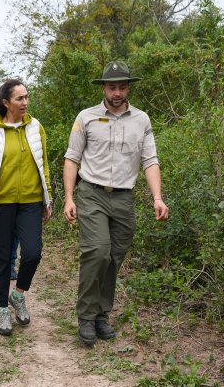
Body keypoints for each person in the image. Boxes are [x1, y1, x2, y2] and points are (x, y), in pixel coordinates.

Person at [62, 61, 169, 347]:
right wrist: (69, 197)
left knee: (112, 259)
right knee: (97, 251)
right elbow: (72, 157)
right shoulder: (86, 117)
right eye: (112, 87)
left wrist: (157, 197)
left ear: (128, 87)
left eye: (122, 86)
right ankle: (85, 317)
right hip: (92, 193)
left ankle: (100, 315)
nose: (117, 92)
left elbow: (150, 160)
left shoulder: (142, 120)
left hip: (123, 198)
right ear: (104, 88)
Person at [0, 79, 52, 336]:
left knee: (32, 252)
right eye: (19, 99)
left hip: (30, 202)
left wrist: (47, 198)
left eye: (26, 97)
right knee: (2, 259)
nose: (25, 102)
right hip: (0, 204)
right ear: (6, 103)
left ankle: (18, 295)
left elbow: (44, 164)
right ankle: (2, 309)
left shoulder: (35, 127)